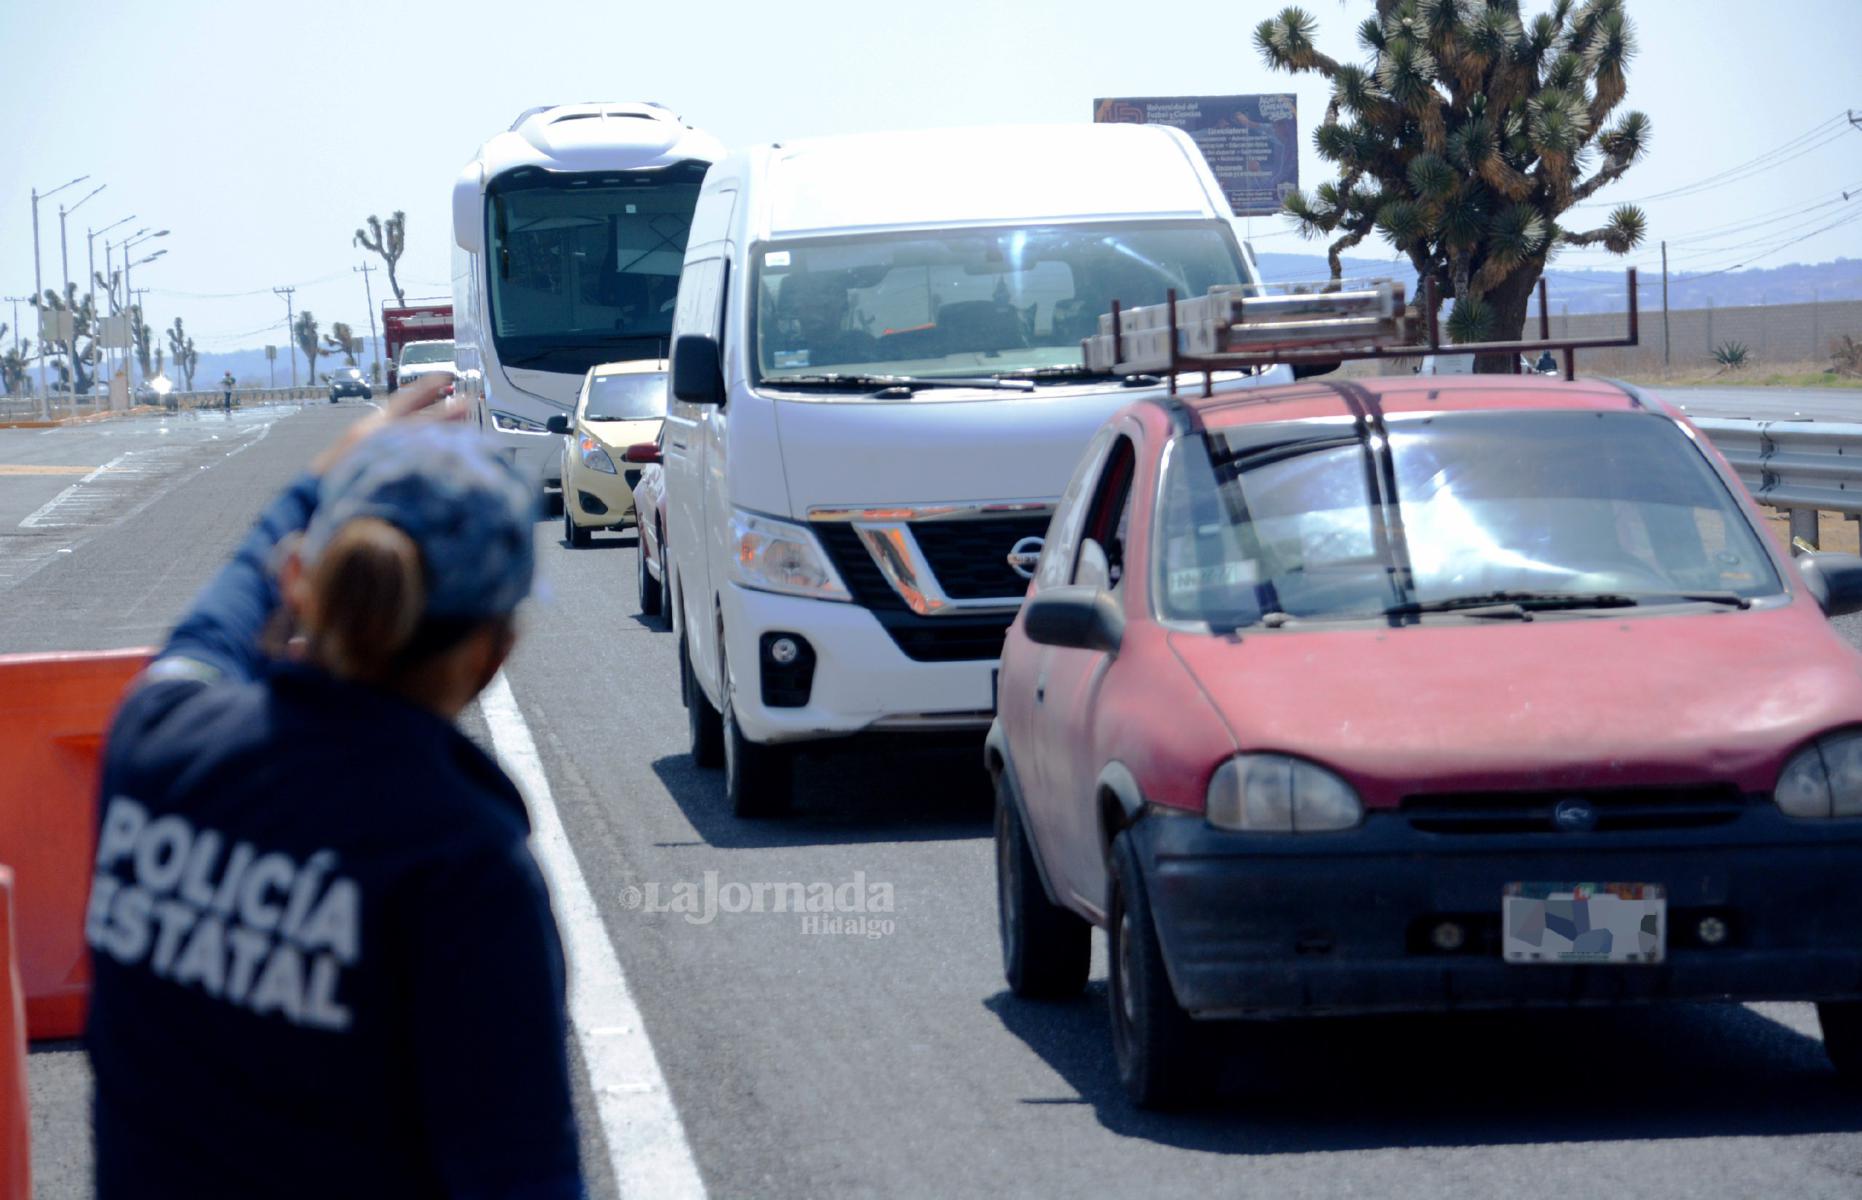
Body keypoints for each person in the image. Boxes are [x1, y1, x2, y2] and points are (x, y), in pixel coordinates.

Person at [83, 375, 585, 1199]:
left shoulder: (157, 741)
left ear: (298, 580)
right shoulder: (462, 864)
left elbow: (215, 622)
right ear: (492, 653)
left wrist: (322, 479)